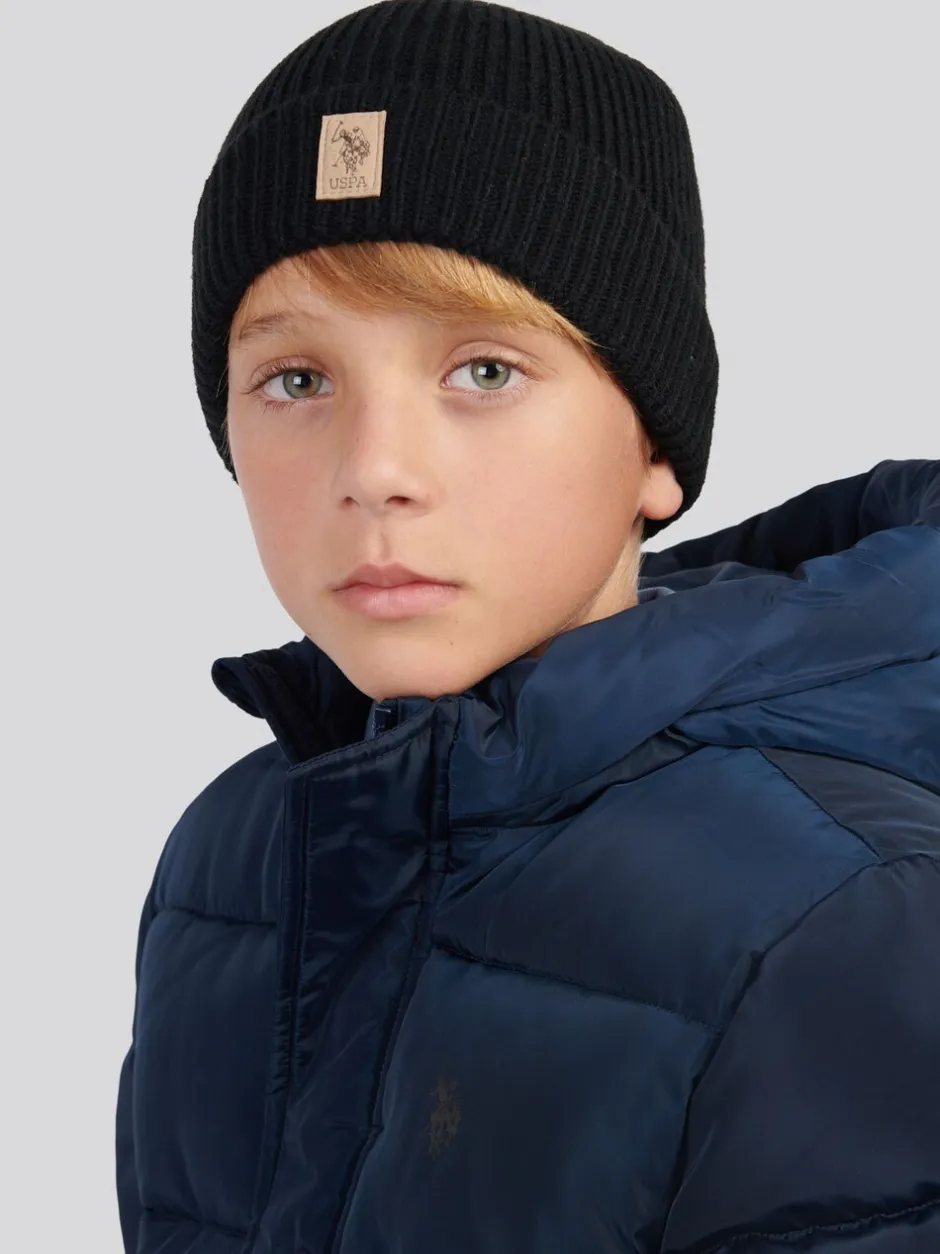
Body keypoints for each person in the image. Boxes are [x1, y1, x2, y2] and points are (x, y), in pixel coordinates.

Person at [115, 1, 940, 1250]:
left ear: (654, 448)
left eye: (484, 371)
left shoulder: (837, 913)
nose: (375, 470)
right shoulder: (238, 850)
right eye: (297, 379)